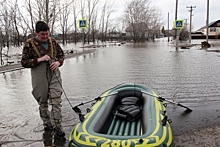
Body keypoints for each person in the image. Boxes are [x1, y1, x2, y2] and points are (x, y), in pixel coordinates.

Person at [21, 21, 65, 138]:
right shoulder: (29, 44)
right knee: (43, 100)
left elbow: (62, 55)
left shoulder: (53, 41)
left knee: (56, 100)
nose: (45, 37)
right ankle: (47, 123)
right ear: (36, 33)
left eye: (47, 34)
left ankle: (58, 126)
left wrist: (58, 62)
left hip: (54, 73)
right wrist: (39, 60)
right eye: (42, 34)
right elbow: (23, 62)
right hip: (39, 74)